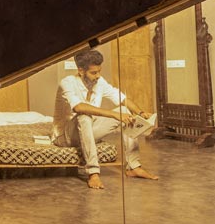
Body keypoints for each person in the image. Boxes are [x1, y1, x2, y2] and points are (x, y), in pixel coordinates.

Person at [52, 48, 159, 189]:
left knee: (124, 111)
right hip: (65, 137)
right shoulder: (67, 82)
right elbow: (78, 107)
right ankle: (93, 172)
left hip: (88, 130)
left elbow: (121, 98)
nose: (98, 76)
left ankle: (134, 167)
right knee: (84, 116)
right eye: (93, 73)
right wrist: (113, 114)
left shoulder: (99, 81)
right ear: (81, 71)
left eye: (99, 71)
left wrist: (140, 112)